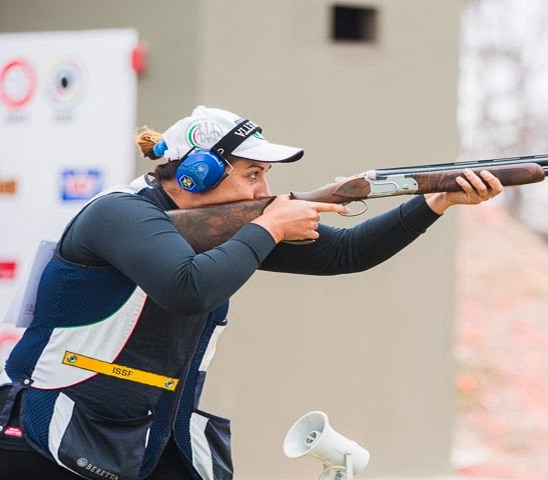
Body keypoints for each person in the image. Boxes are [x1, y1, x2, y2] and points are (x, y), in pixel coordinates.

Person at [0, 105, 503, 480]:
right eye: (253, 175)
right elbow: (188, 289)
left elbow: (347, 253)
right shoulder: (119, 213)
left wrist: (433, 203)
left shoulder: (232, 228)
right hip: (53, 435)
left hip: (152, 436)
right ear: (199, 174)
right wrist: (269, 229)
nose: (265, 193)